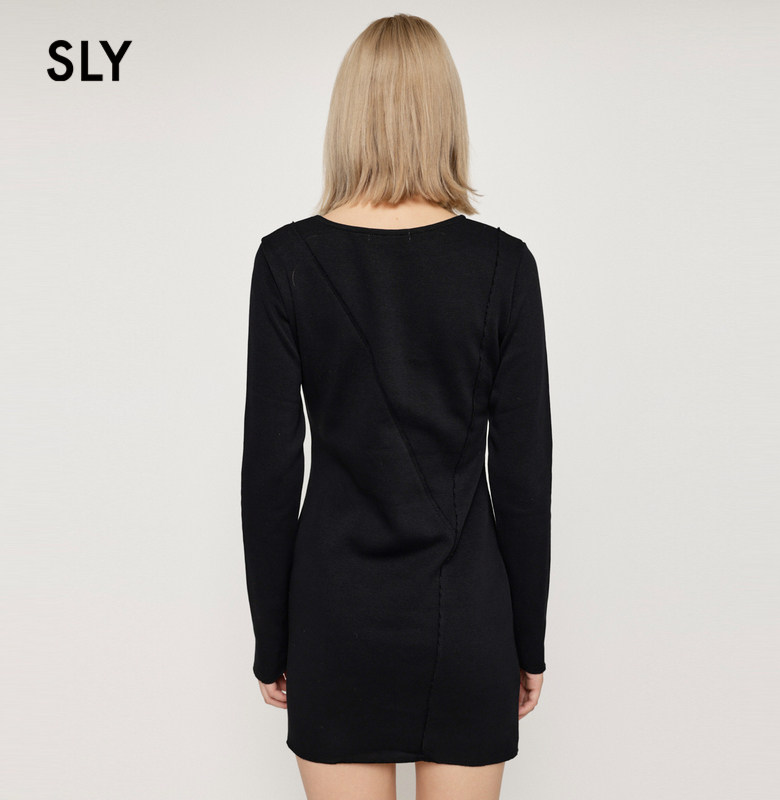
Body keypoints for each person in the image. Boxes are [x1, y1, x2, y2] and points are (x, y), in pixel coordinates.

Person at [240, 13, 553, 800]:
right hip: (467, 618)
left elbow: (270, 472)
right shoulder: (504, 265)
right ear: (446, 114)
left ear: (348, 115)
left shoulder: (287, 261)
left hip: (335, 618)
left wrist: (272, 639)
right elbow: (524, 480)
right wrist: (527, 641)